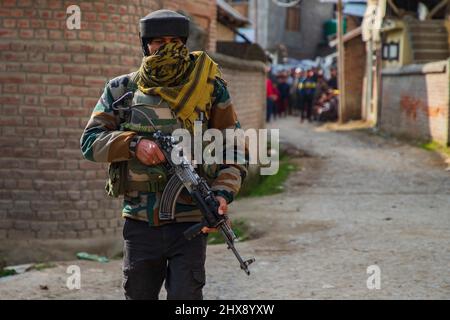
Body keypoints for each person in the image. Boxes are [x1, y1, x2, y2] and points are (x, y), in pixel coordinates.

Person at [80, 9, 247, 300]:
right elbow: (90, 142)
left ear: (184, 43)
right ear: (146, 45)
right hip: (140, 224)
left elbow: (234, 146)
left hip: (191, 223)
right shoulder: (122, 90)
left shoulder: (208, 88)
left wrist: (222, 193)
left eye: (173, 40)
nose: (166, 47)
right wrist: (133, 145)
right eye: (158, 41)